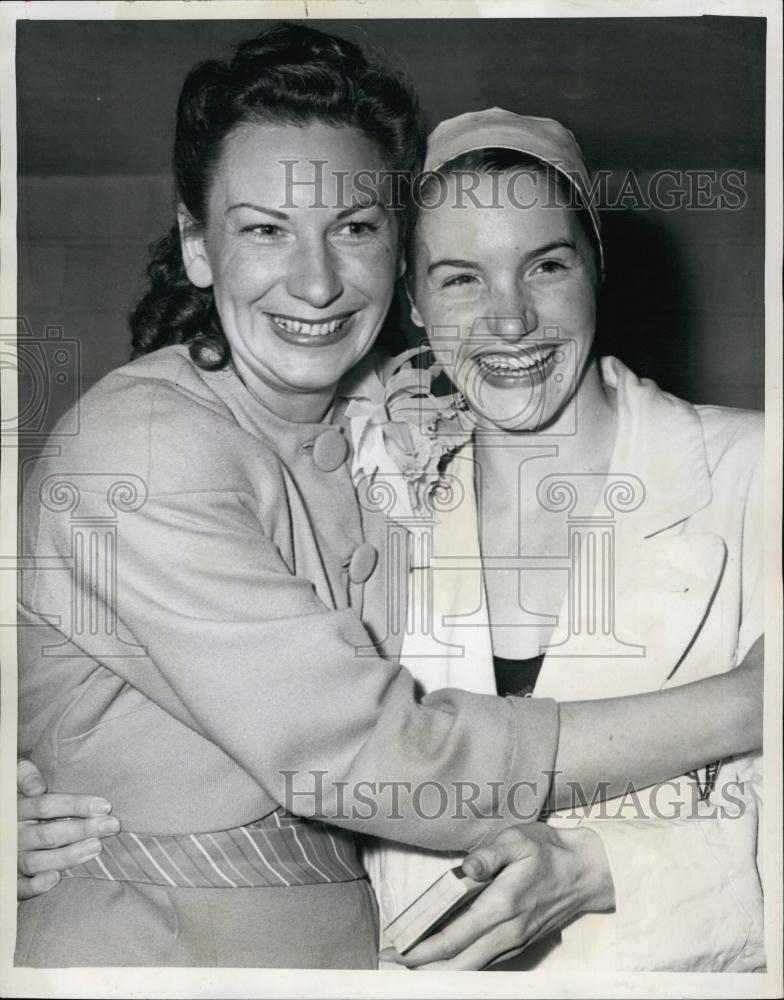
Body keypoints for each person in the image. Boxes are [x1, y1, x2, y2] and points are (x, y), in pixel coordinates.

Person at [15, 28, 762, 968]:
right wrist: (748, 704)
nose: (319, 281)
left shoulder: (397, 431)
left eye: (356, 227)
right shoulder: (146, 444)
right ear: (197, 247)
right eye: (264, 229)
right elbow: (378, 760)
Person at [367, 109, 765, 972]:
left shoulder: (756, 473)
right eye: (462, 279)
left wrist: (608, 869)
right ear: (412, 300)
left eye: (546, 265)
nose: (509, 323)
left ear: (596, 267)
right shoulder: (379, 509)